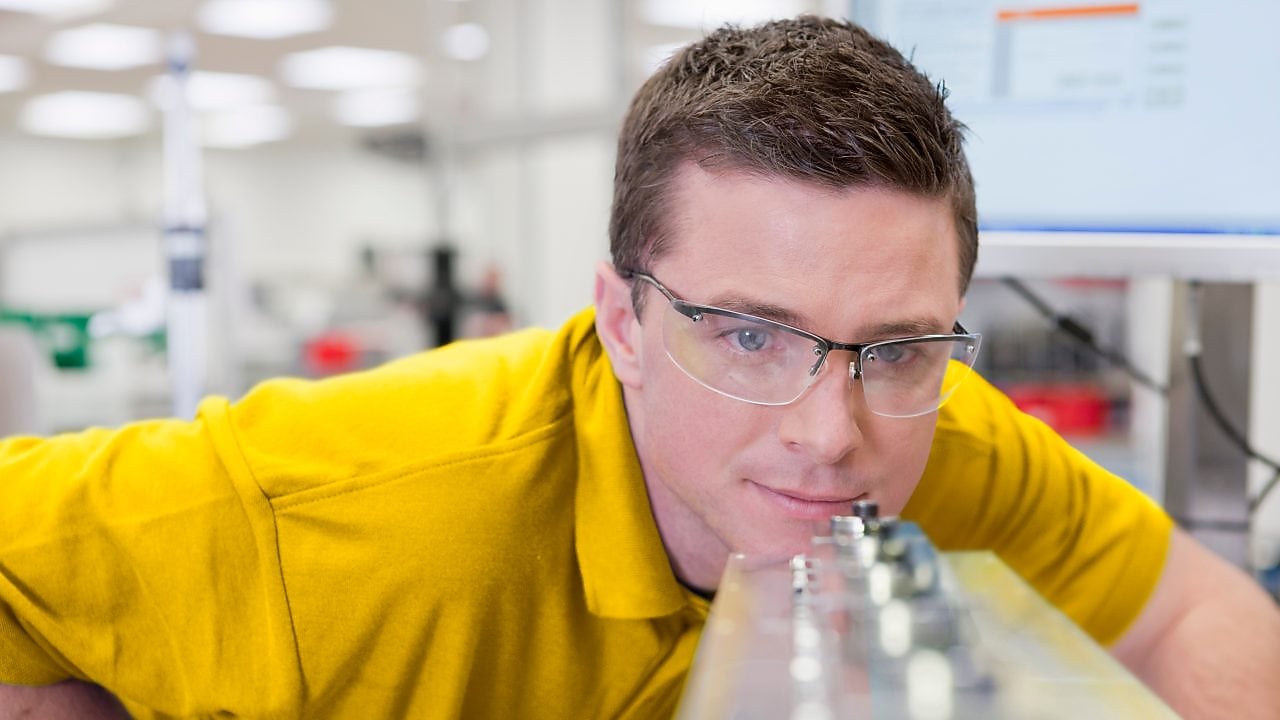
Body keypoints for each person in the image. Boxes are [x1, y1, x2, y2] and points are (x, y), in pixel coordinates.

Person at [2, 15, 1278, 720]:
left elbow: (1193, 614)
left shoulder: (939, 431)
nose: (829, 434)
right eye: (747, 334)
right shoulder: (347, 506)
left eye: (893, 346)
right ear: (620, 321)